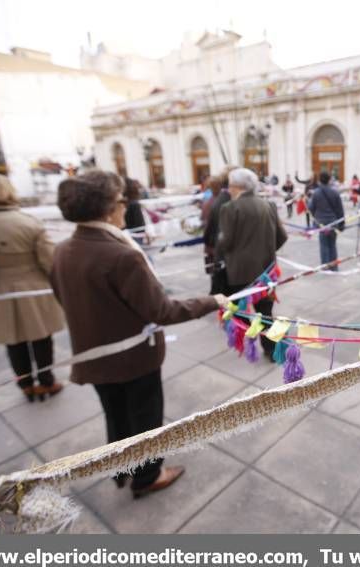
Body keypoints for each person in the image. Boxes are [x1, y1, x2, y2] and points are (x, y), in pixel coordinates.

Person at [51, 170, 229, 497]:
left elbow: (63, 296)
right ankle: (147, 477)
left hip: (94, 353)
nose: (125, 206)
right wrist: (211, 301)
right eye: (121, 201)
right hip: (133, 358)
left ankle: (120, 469)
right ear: (107, 208)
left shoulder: (63, 249)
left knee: (116, 416)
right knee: (145, 420)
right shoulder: (122, 254)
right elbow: (161, 310)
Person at [0, 174, 65, 402]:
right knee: (42, 338)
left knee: (13, 342)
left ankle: (26, 384)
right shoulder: (27, 222)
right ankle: (46, 380)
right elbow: (50, 261)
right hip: (33, 286)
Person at [215, 168, 288, 358]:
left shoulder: (230, 208)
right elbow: (282, 236)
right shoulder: (268, 205)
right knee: (266, 313)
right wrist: (267, 251)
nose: (229, 190)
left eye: (230, 186)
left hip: (241, 272)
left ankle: (249, 345)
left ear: (237, 187)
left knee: (243, 312)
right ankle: (273, 350)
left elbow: (226, 241)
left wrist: (220, 244)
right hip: (266, 272)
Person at [203, 166, 237, 293]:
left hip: (218, 252)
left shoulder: (217, 201)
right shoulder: (227, 202)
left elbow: (208, 232)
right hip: (226, 256)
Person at [308, 171, 345, 270]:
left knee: (324, 244)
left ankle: (325, 266)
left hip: (321, 223)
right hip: (333, 221)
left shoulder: (316, 193)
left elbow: (311, 208)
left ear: (320, 180)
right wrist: (342, 224)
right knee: (332, 244)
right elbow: (340, 210)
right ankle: (333, 266)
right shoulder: (335, 192)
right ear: (329, 179)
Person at [123, 177, 150, 246]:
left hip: (127, 235)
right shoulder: (134, 204)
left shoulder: (124, 203)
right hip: (135, 236)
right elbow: (140, 223)